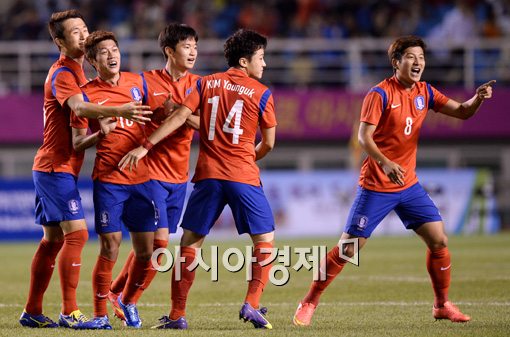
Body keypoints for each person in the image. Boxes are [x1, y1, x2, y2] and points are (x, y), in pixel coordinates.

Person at [292, 35, 495, 326]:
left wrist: (478, 99)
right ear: (396, 61)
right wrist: (385, 163)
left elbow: (462, 112)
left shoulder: (425, 92)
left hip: (408, 185)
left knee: (439, 240)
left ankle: (442, 305)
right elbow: (364, 136)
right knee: (349, 249)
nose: (418, 62)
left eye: (421, 58)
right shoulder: (380, 94)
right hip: (376, 184)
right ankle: (309, 300)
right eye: (411, 57)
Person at [119, 29, 277, 330]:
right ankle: (252, 303)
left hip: (208, 177)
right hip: (242, 175)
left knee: (189, 246)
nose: (264, 64)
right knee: (265, 241)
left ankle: (177, 315)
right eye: (261, 58)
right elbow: (268, 143)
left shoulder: (206, 83)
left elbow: (179, 117)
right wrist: (246, 158)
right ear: (244, 62)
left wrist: (145, 146)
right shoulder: (263, 93)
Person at [19, 10, 150, 330]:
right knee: (75, 234)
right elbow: (78, 108)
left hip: (61, 165)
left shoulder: (79, 73)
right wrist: (119, 109)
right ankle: (69, 310)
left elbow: (79, 140)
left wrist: (99, 133)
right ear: (59, 41)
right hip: (54, 167)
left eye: (84, 29)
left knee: (51, 241)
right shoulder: (64, 73)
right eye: (74, 32)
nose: (82, 35)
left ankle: (32, 311)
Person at [106, 23, 200, 324]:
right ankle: (129, 301)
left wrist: (182, 113)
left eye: (195, 47)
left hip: (178, 176)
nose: (193, 52)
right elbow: (125, 105)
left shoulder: (200, 85)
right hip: (149, 173)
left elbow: (207, 123)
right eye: (187, 46)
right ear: (169, 51)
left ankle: (115, 292)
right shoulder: (147, 82)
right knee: (159, 247)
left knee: (155, 250)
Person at [70, 30, 157, 329]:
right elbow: (77, 143)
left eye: (115, 49)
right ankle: (99, 316)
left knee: (148, 251)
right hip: (109, 179)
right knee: (110, 246)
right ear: (93, 60)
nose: (112, 55)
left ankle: (128, 300)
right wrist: (100, 133)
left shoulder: (138, 82)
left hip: (143, 179)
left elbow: (158, 113)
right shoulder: (85, 93)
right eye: (104, 52)